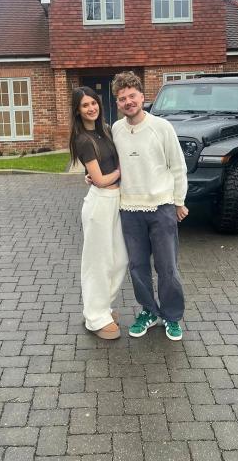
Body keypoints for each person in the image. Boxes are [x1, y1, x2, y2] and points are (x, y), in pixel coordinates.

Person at [111, 71, 189, 341]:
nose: (128, 102)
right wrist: (92, 176)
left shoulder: (162, 127)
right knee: (137, 267)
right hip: (129, 209)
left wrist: (179, 200)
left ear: (143, 97)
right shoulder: (116, 130)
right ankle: (148, 311)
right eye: (122, 98)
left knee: (167, 267)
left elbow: (177, 165)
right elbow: (114, 167)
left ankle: (172, 316)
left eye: (132, 96)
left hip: (161, 207)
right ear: (118, 103)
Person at [69, 86, 129, 340]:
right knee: (98, 263)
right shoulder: (83, 139)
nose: (91, 108)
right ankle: (95, 317)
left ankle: (102, 308)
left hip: (115, 201)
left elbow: (98, 173)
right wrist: (122, 171)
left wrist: (104, 175)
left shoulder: (105, 130)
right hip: (99, 204)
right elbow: (101, 179)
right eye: (85, 105)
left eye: (93, 103)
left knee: (120, 259)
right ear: (78, 111)